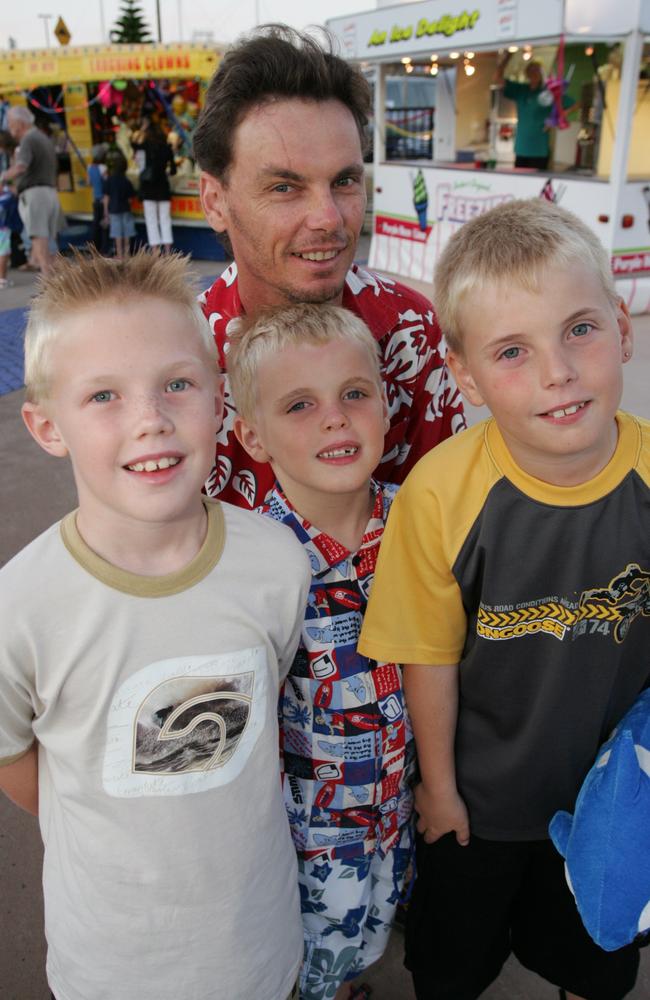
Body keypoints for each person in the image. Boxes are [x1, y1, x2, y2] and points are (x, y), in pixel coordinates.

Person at [0, 250, 312, 1000]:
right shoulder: (20, 607)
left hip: (258, 941)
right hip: (112, 964)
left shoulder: (276, 562)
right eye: (104, 395)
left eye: (177, 383)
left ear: (217, 400)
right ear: (47, 425)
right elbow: (21, 768)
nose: (150, 419)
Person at [359, 199, 649, 1000]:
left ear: (622, 328)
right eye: (513, 351)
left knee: (594, 960)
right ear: (466, 376)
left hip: (610, 802)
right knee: (452, 963)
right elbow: (427, 654)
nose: (558, 370)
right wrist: (440, 787)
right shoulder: (441, 494)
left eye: (580, 330)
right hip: (478, 803)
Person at [193, 24, 465, 509]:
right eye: (284, 187)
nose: (329, 219)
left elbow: (449, 520)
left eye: (343, 181)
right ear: (214, 201)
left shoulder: (412, 330)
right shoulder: (179, 357)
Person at [228, 303, 414, 1000]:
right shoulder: (250, 563)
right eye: (300, 404)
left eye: (354, 394)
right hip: (306, 833)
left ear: (385, 404)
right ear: (254, 435)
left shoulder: (418, 521)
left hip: (398, 805)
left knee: (371, 930)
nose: (336, 418)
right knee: (309, 961)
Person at [1, 105, 59, 275]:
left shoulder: (27, 139)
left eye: (10, 122)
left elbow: (21, 167)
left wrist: (3, 176)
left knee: (39, 243)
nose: (9, 127)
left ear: (19, 123)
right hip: (50, 192)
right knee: (50, 243)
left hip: (35, 195)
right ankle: (59, 287)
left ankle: (49, 287)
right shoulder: (42, 137)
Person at [133, 119, 176, 253]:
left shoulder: (144, 147)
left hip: (148, 188)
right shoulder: (167, 148)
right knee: (165, 219)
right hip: (163, 187)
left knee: (151, 220)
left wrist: (142, 129)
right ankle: (168, 252)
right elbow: (173, 170)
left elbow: (133, 146)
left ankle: (156, 251)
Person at [102, 149, 135, 260]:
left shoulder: (109, 180)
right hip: (126, 209)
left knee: (117, 233)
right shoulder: (127, 181)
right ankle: (127, 254)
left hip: (113, 210)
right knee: (127, 233)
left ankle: (119, 254)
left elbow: (106, 198)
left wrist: (106, 213)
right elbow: (131, 199)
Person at [88, 143, 109, 254]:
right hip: (103, 200)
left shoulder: (90, 167)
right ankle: (104, 249)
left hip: (95, 200)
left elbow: (89, 182)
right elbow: (107, 184)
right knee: (104, 225)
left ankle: (94, 248)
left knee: (96, 225)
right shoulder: (104, 168)